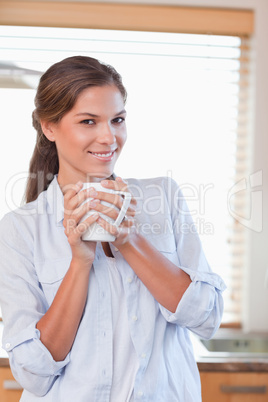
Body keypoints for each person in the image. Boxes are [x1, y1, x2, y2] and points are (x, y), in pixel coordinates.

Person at [0, 56, 226, 401]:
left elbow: (206, 318)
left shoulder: (162, 197)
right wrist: (80, 261)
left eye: (117, 120)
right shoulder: (20, 229)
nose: (109, 137)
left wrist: (128, 238)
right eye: (88, 121)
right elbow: (34, 372)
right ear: (49, 127)